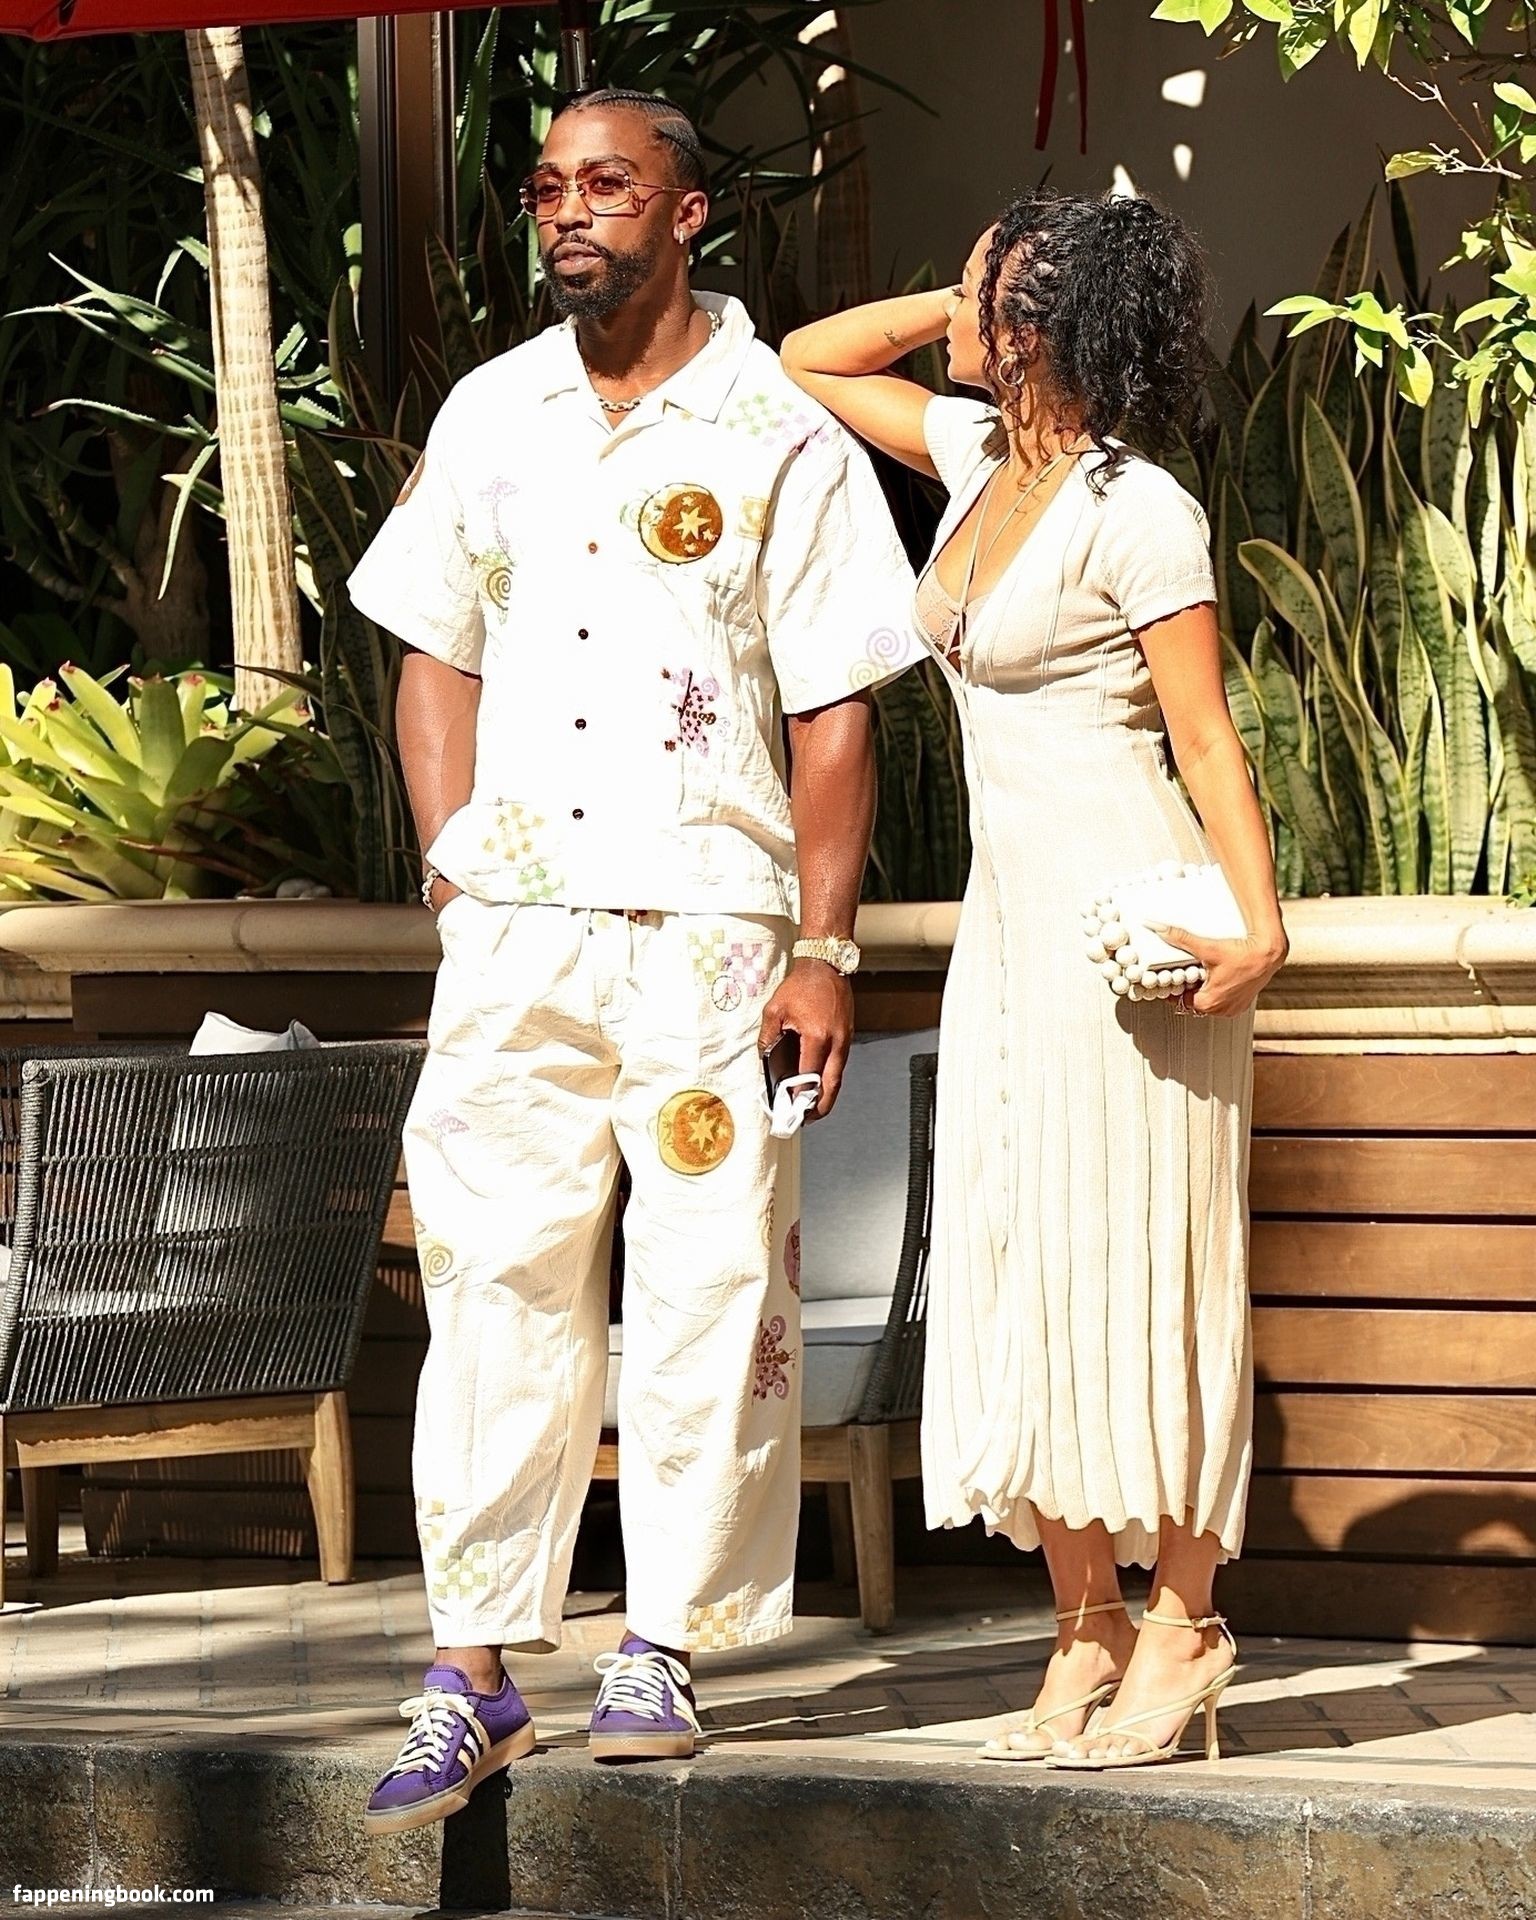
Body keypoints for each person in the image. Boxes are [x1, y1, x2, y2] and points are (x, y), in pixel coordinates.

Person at [345, 87, 917, 1831]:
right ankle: (470, 1669)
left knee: (708, 1287)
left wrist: (823, 945)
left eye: (608, 185)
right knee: (491, 1282)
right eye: (546, 190)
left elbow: (834, 711)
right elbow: (431, 649)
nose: (569, 213)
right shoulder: (492, 410)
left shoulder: (780, 433)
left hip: (713, 941)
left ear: (688, 213)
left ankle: (659, 1641)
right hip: (516, 940)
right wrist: (455, 870)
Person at [780, 187, 1288, 1772]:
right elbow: (809, 358)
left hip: (1130, 923)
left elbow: (1205, 736)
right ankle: (1086, 1625)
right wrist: (961, 301)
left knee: (1147, 1263)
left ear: (1046, 325)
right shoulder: (977, 454)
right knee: (1021, 1257)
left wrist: (1261, 925)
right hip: (1010, 927)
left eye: (985, 293)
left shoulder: (1142, 510)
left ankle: (1186, 1621)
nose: (955, 314)